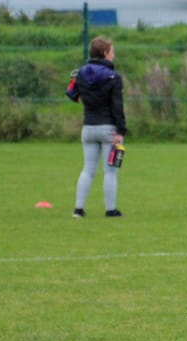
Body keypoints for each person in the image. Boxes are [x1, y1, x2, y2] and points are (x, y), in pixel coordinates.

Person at [72, 36, 126, 219]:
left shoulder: (81, 73)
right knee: (110, 170)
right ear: (105, 53)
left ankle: (78, 209)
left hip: (88, 128)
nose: (113, 55)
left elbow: (73, 94)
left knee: (88, 169)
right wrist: (121, 130)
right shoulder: (113, 77)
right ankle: (110, 209)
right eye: (112, 51)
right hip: (108, 129)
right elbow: (117, 106)